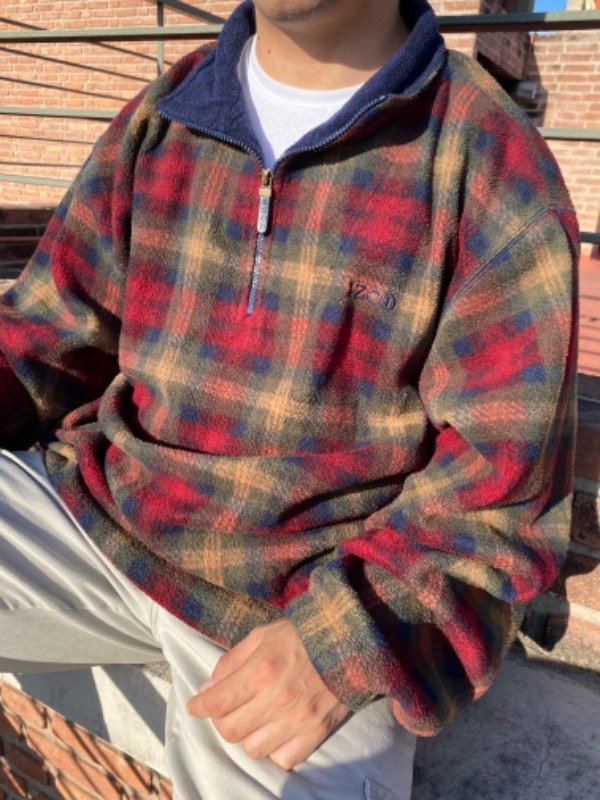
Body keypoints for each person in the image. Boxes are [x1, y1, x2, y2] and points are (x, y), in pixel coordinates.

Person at [0, 0, 578, 797]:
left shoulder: (484, 157)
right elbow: (45, 334)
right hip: (98, 525)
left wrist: (345, 645)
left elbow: (499, 502)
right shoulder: (169, 113)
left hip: (308, 614)